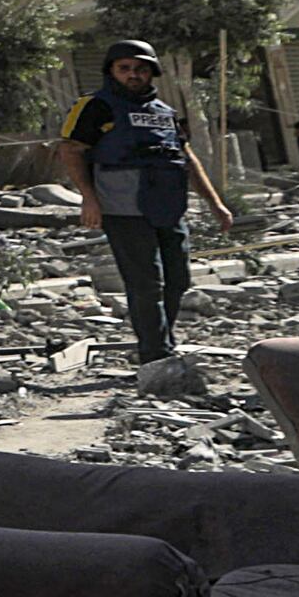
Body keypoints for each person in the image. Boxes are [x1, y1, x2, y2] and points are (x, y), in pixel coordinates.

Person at [56, 38, 233, 370]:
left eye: (140, 69)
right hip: (121, 208)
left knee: (178, 279)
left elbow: (186, 157)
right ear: (112, 72)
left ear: (152, 73)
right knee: (146, 283)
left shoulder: (164, 113)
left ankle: (159, 343)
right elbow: (71, 149)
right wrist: (89, 199)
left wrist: (216, 204)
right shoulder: (95, 106)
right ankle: (155, 355)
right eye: (124, 69)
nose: (133, 75)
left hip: (166, 207)